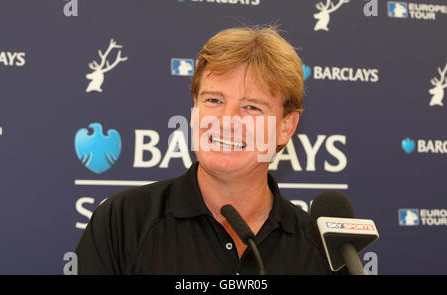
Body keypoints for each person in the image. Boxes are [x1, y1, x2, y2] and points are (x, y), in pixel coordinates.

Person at [76, 26, 339, 275]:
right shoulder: (123, 221)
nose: (226, 120)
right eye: (214, 100)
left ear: (286, 126)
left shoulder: (320, 251)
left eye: (252, 107)